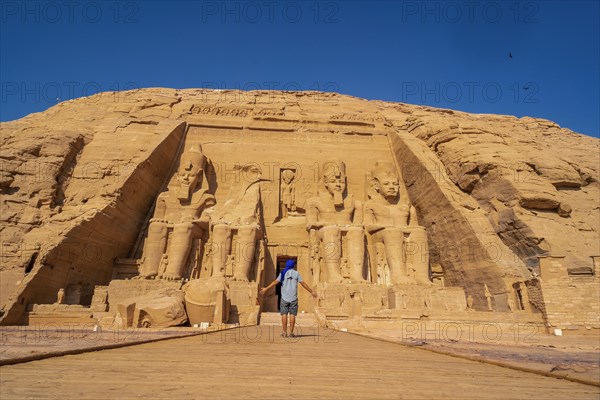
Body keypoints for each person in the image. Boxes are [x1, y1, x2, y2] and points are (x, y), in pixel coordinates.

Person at [260, 260, 317, 337]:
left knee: (284, 314)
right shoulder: (296, 273)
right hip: (293, 297)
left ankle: (284, 332)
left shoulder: (283, 273)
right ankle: (291, 333)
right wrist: (311, 291)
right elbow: (303, 283)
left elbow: (275, 282)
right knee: (292, 315)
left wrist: (266, 289)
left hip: (284, 297)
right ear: (293, 265)